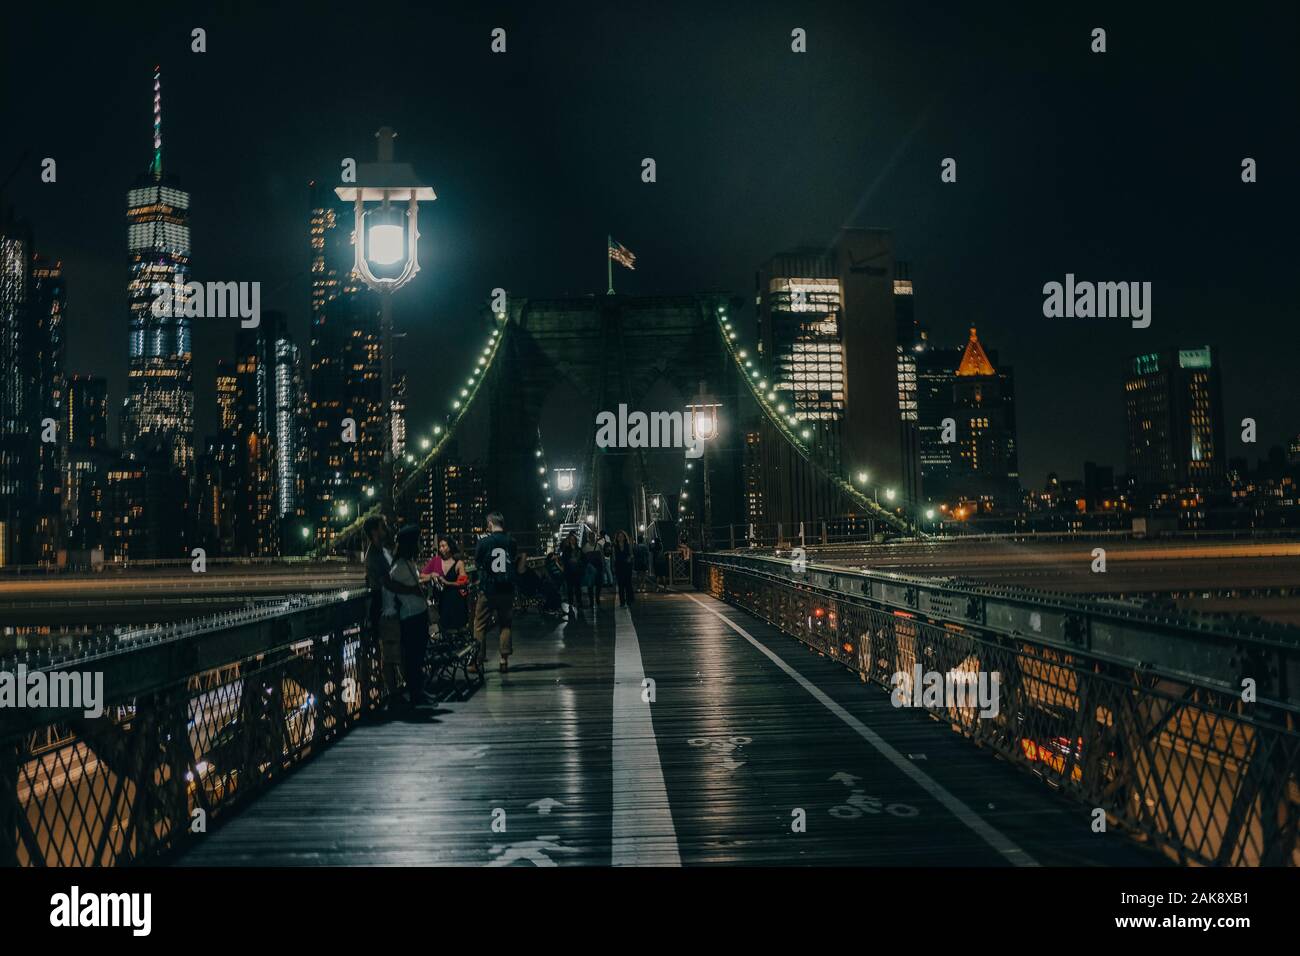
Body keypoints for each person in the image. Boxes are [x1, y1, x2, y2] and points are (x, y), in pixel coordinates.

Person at [364, 515, 422, 708]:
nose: (386, 528)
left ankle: (403, 690)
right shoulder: (373, 556)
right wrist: (412, 590)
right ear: (374, 531)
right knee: (389, 655)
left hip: (392, 607)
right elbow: (387, 583)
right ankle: (394, 694)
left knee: (400, 651)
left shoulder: (384, 551)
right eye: (383, 526)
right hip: (384, 610)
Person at [387, 524, 432, 711]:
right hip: (411, 617)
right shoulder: (399, 566)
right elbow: (389, 584)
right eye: (418, 541)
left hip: (417, 615)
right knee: (413, 658)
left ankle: (419, 691)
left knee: (418, 656)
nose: (420, 544)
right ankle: (415, 693)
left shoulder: (407, 563)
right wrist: (411, 590)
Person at [473, 512, 517, 673]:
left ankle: (477, 660)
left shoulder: (483, 542)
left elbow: (477, 563)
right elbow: (512, 559)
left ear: (490, 524)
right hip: (506, 589)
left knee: (479, 625)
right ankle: (503, 660)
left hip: (488, 590)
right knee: (505, 624)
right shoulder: (511, 541)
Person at [559, 531, 584, 619]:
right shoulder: (566, 550)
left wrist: (579, 562)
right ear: (569, 541)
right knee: (570, 588)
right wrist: (570, 561)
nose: (573, 541)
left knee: (577, 588)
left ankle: (579, 603)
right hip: (569, 572)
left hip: (577, 572)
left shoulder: (579, 549)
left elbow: (583, 560)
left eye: (574, 539)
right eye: (571, 540)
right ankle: (570, 603)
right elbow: (564, 560)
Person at [613, 530, 635, 607]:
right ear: (617, 538)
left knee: (628, 584)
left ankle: (629, 600)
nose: (620, 537)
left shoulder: (628, 545)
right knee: (621, 585)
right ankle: (622, 601)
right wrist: (614, 567)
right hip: (619, 566)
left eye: (622, 536)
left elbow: (632, 555)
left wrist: (630, 558)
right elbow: (614, 557)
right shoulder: (615, 546)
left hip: (627, 566)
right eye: (619, 536)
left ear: (625, 537)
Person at [584, 534, 605, 609]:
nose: (592, 538)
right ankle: (592, 600)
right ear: (589, 537)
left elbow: (602, 556)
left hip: (598, 567)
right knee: (591, 585)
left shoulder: (598, 546)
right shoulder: (586, 547)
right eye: (591, 537)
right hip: (590, 568)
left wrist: (603, 566)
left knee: (598, 584)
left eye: (593, 537)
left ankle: (597, 597)